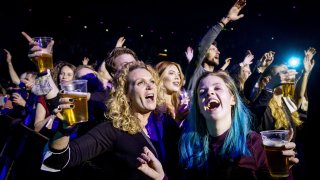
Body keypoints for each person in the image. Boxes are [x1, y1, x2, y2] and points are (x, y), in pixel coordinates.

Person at [40, 61, 167, 180]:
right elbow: (57, 160)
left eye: (152, 82)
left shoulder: (160, 126)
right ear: (126, 95)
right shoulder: (113, 129)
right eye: (140, 83)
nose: (150, 86)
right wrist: (65, 129)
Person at [178, 71, 299, 179]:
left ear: (233, 99)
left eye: (217, 88)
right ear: (199, 107)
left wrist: (280, 172)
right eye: (202, 92)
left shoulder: (254, 143)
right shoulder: (188, 145)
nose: (209, 93)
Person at [184, 0, 246, 92]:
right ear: (204, 54)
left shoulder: (217, 78)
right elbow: (201, 48)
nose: (218, 52)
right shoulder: (195, 72)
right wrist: (226, 20)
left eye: (217, 49)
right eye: (213, 49)